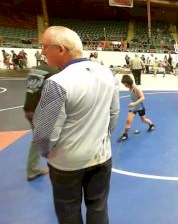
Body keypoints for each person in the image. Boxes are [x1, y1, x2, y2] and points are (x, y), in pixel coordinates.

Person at [33, 26, 120, 224]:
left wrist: (47, 153)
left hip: (67, 164)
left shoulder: (57, 82)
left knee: (68, 212)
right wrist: (100, 139)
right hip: (101, 157)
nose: (43, 52)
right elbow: (113, 114)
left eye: (45, 47)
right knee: (98, 208)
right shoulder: (107, 74)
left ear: (61, 49)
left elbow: (45, 134)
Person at [23, 64, 58, 181]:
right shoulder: (54, 72)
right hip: (38, 111)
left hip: (28, 108)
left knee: (37, 138)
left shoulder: (36, 69)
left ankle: (33, 169)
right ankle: (33, 170)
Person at [118, 75, 155, 142]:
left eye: (125, 84)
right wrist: (133, 105)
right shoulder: (130, 88)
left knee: (143, 120)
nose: (124, 86)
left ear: (128, 82)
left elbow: (143, 97)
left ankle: (151, 124)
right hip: (133, 108)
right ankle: (125, 135)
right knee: (128, 121)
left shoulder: (136, 89)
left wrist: (134, 103)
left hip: (140, 107)